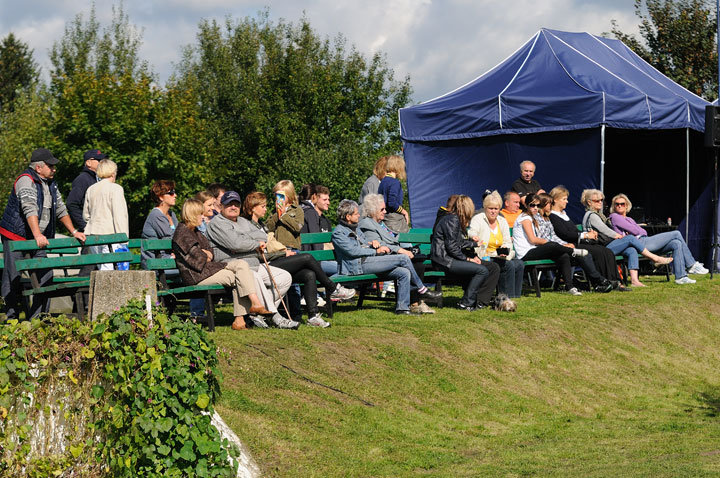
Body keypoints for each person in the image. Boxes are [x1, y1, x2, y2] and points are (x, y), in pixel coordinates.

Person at [244, 191, 354, 327]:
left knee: (309, 274)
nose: (266, 209)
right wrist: (283, 254)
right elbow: (258, 254)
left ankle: (313, 316)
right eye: (263, 206)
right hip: (266, 264)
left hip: (274, 260)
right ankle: (332, 288)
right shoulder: (247, 225)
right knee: (307, 257)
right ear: (253, 208)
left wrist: (282, 215)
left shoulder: (260, 224)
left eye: (266, 205)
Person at [1, 148, 87, 319]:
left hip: (36, 238)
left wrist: (74, 231)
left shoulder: (51, 184)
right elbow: (29, 208)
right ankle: (10, 319)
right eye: (51, 166)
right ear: (38, 168)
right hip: (16, 236)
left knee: (46, 276)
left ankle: (37, 319)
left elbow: (61, 209)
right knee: (13, 277)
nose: (54, 169)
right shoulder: (25, 181)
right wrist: (38, 235)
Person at [172, 199, 273, 331]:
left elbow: (211, 253)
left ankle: (246, 313)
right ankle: (245, 313)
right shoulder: (182, 234)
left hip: (206, 270)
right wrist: (205, 254)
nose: (203, 217)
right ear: (191, 214)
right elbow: (198, 261)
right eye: (200, 214)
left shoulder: (196, 232)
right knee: (239, 276)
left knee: (241, 265)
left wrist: (205, 254)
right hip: (195, 276)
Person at [206, 191, 297, 329]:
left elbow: (262, 236)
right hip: (231, 266)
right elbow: (235, 244)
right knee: (254, 277)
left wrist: (242, 239)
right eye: (229, 204)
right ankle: (276, 317)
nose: (233, 207)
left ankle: (258, 315)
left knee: (284, 277)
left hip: (254, 263)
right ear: (222, 206)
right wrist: (253, 243)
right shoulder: (217, 223)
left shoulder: (242, 221)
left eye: (236, 204)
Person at [332, 199, 439, 315]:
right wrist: (375, 251)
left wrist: (371, 243)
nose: (359, 215)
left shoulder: (355, 228)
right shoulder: (338, 233)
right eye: (356, 213)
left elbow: (364, 242)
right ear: (348, 216)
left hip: (367, 262)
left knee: (403, 272)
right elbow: (353, 251)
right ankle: (422, 289)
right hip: (356, 267)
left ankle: (402, 308)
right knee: (403, 258)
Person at [608, 193, 708, 284]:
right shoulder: (615, 216)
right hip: (639, 243)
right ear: (614, 206)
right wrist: (636, 230)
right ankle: (691, 265)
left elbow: (643, 232)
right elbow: (636, 231)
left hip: (644, 240)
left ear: (627, 205)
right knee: (676, 233)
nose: (620, 206)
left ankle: (680, 277)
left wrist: (636, 230)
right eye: (617, 204)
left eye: (622, 204)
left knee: (676, 243)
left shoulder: (629, 219)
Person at [581, 189, 672, 287]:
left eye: (601, 200)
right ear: (589, 202)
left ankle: (634, 281)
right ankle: (655, 258)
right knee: (630, 238)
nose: (600, 202)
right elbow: (604, 230)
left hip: (607, 245)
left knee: (631, 250)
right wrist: (617, 235)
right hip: (601, 249)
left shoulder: (599, 214)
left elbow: (641, 231)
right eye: (597, 201)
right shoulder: (592, 215)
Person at [549, 186, 628, 291]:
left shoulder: (564, 214)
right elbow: (564, 234)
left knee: (606, 251)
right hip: (568, 245)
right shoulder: (553, 216)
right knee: (598, 252)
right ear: (555, 199)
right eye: (564, 199)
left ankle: (616, 281)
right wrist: (585, 235)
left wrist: (587, 233)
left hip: (576, 242)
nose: (567, 202)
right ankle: (603, 282)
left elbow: (573, 232)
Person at [535, 192, 613, 293]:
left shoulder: (547, 218)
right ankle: (601, 280)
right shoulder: (539, 219)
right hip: (546, 249)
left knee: (586, 254)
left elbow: (553, 235)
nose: (551, 205)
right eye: (549, 203)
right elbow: (544, 237)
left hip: (558, 246)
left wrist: (563, 243)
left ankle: (598, 284)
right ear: (543, 205)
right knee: (586, 252)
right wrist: (563, 244)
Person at [432, 195, 501, 309]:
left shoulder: (456, 219)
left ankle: (480, 302)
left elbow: (457, 242)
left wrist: (474, 244)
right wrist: (468, 259)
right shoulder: (452, 220)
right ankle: (465, 302)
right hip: (445, 261)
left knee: (493, 267)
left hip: (452, 258)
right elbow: (452, 247)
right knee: (482, 270)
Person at [512, 193, 582, 295]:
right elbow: (533, 240)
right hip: (525, 253)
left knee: (563, 256)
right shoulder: (525, 218)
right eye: (532, 205)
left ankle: (570, 287)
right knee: (552, 245)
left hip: (533, 250)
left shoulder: (532, 218)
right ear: (526, 205)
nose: (535, 208)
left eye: (538, 205)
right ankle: (573, 251)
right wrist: (549, 243)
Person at [468, 191, 525, 298]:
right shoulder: (478, 218)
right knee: (508, 265)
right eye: (491, 208)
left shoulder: (502, 221)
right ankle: (505, 298)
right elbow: (471, 231)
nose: (493, 211)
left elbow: (507, 241)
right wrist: (474, 236)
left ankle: (516, 297)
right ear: (485, 208)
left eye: (496, 209)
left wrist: (505, 249)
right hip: (485, 255)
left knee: (519, 264)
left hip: (500, 255)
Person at [82, 159, 129, 269]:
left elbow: (86, 215)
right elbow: (119, 216)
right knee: (108, 271)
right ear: (113, 173)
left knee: (102, 268)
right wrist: (123, 239)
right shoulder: (116, 188)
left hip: (92, 235)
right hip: (110, 235)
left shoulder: (91, 189)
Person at [66, 149, 106, 233]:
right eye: (98, 160)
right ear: (88, 163)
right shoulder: (82, 179)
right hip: (89, 233)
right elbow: (71, 203)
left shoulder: (99, 179)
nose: (102, 162)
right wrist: (85, 226)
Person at [266, 180, 304, 251]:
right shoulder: (274, 211)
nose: (278, 198)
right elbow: (268, 228)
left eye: (281, 196)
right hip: (277, 248)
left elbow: (298, 227)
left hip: (292, 247)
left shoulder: (297, 210)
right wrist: (277, 214)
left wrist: (284, 215)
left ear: (289, 195)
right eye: (276, 195)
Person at [377, 155, 410, 233]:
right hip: (395, 221)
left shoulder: (383, 181)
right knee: (405, 243)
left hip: (385, 218)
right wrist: (404, 211)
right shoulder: (395, 182)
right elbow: (392, 203)